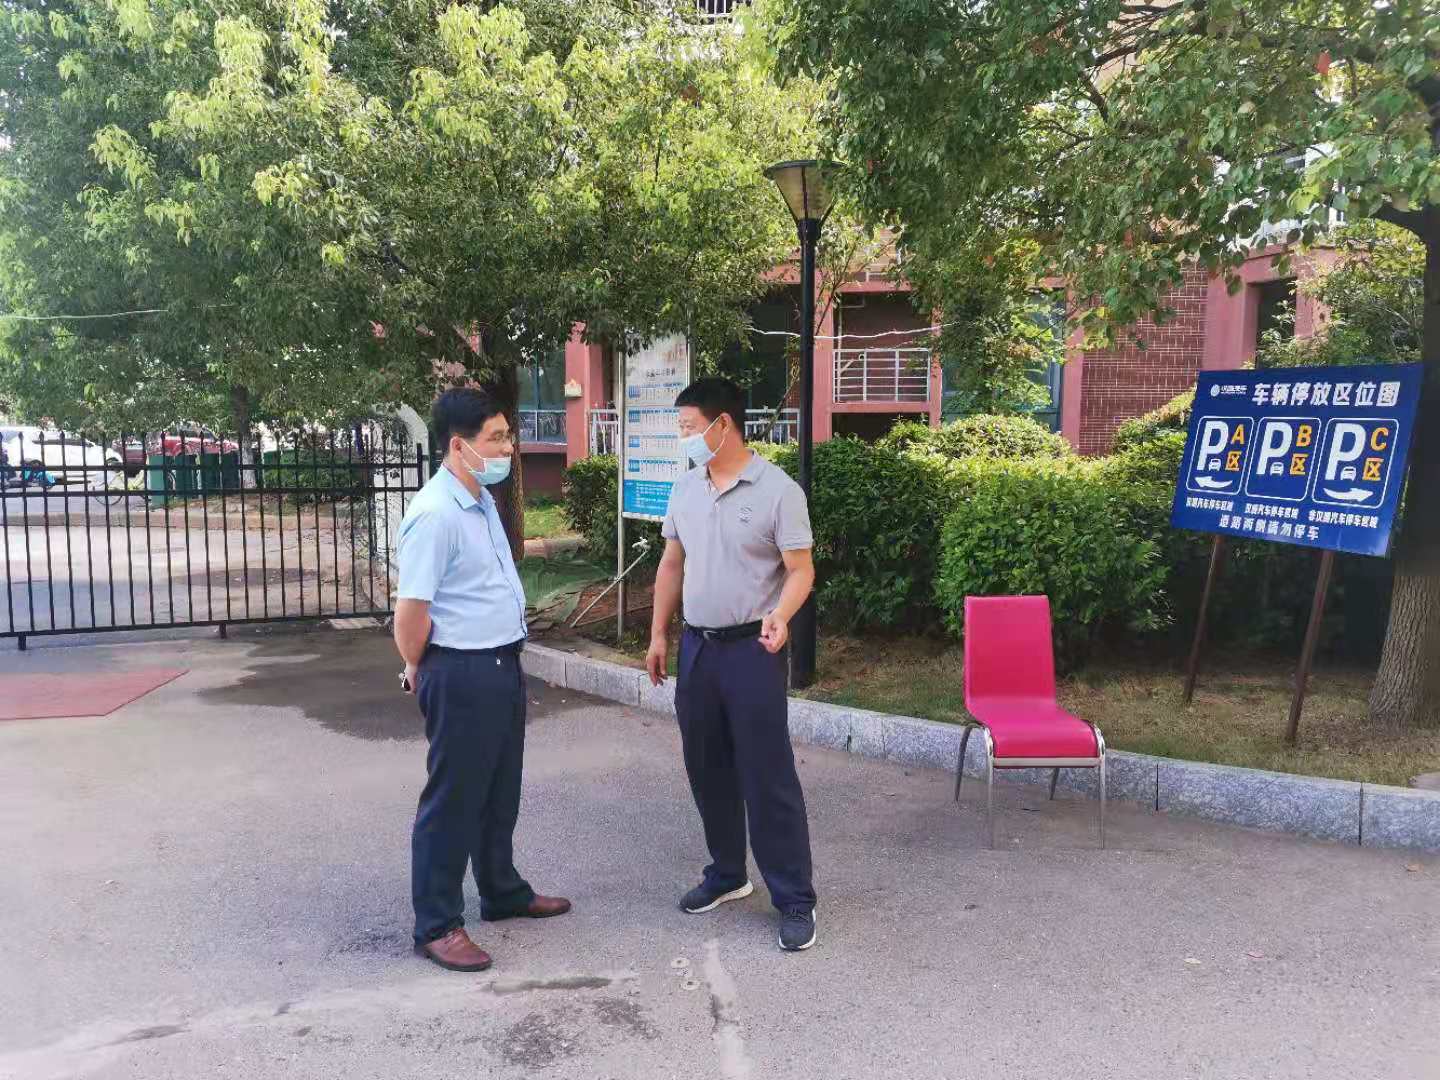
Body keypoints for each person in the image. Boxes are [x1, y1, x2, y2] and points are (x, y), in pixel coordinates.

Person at [393, 387, 570, 973]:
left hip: (499, 664)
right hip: (462, 669)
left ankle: (501, 890)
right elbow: (411, 613)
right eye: (495, 439)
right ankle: (437, 924)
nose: (507, 449)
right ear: (458, 446)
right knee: (454, 800)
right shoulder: (435, 514)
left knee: (499, 789)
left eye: (507, 436)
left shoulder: (481, 500)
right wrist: (420, 665)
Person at [645, 377, 819, 952]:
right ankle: (726, 873)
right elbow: (671, 564)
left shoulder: (778, 491)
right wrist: (658, 634)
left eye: (690, 427)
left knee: (767, 773)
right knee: (706, 764)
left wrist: (782, 615)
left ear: (724, 425)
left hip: (752, 649)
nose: (684, 438)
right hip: (698, 648)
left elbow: (801, 570)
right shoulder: (685, 488)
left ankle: (794, 898)